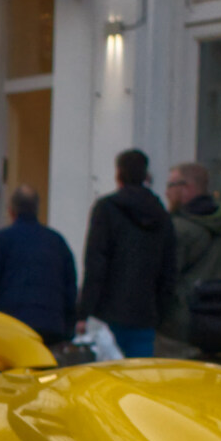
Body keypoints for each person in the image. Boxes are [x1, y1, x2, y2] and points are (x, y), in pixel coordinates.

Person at [78, 149, 175, 358]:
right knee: (138, 378)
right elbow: (168, 270)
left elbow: (96, 263)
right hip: (145, 313)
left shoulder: (106, 209)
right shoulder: (161, 215)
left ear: (119, 174)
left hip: (107, 313)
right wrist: (160, 313)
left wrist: (84, 311)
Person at [0, 185, 77, 346]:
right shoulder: (56, 241)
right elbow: (71, 289)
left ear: (11, 211)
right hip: (51, 327)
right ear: (37, 209)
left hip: (10, 325)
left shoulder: (1, 240)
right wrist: (68, 327)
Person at [165, 162, 221, 345]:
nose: (167, 193)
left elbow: (165, 279)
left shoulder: (179, 229)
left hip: (185, 327)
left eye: (171, 186)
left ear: (187, 188)